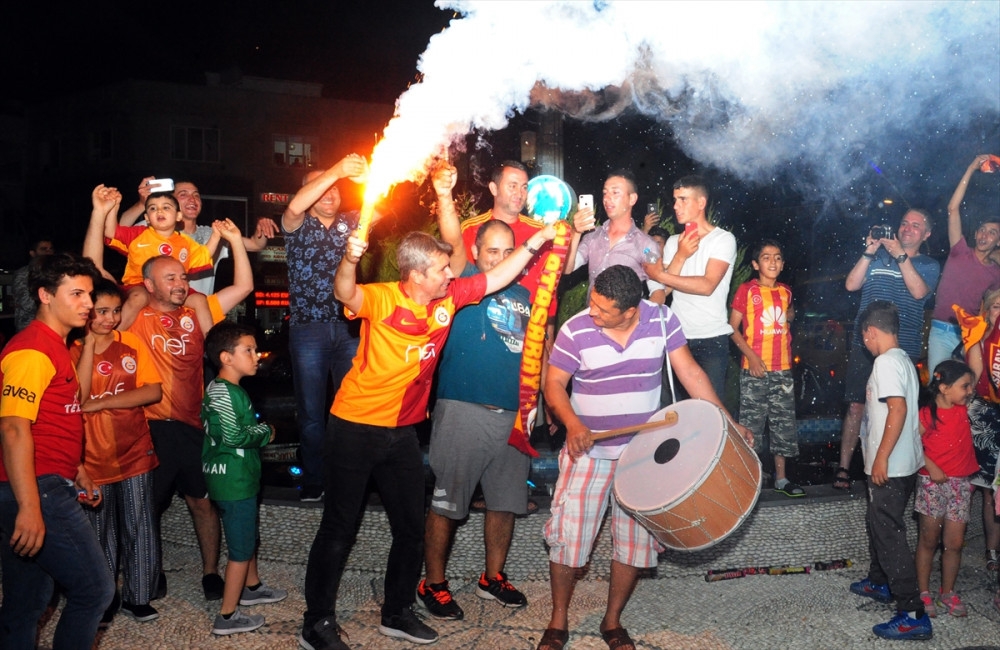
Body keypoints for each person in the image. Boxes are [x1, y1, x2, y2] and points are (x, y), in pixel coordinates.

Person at [299, 223, 557, 650]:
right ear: (417, 274)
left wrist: (534, 242)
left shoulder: (448, 300)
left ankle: (397, 612)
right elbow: (346, 292)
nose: (451, 274)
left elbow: (499, 276)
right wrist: (349, 257)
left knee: (410, 528)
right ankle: (317, 622)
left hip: (402, 433)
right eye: (441, 268)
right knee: (339, 529)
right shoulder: (382, 297)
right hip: (354, 426)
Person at [537, 265, 752, 650]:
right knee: (569, 539)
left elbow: (689, 372)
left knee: (633, 545)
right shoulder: (576, 329)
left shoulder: (662, 319)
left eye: (604, 310)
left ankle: (612, 621)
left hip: (642, 456)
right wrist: (571, 424)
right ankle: (557, 621)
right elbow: (553, 383)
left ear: (631, 310)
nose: (593, 313)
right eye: (593, 303)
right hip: (588, 451)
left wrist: (728, 421)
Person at [416, 178, 534, 621]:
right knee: (447, 503)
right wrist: (445, 196)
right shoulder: (463, 282)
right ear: (477, 252)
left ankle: (492, 577)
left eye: (508, 253)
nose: (500, 260)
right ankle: (433, 582)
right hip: (462, 409)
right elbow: (450, 238)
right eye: (492, 251)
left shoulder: (526, 297)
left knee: (504, 502)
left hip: (512, 417)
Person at [119, 219, 254, 602]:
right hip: (152, 426)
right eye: (170, 279)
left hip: (195, 425)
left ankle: (210, 573)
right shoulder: (136, 312)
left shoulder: (197, 308)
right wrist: (132, 299)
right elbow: (105, 333)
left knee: (202, 501)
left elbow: (240, 294)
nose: (181, 284)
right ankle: (151, 570)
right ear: (149, 285)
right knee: (150, 506)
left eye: (182, 277)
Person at [0, 252, 115, 650]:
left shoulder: (56, 347)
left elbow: (51, 420)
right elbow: (14, 429)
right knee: (95, 590)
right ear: (45, 295)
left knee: (26, 600)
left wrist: (78, 467)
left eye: (90, 293)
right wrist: (30, 506)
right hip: (38, 488)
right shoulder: (32, 349)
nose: (88, 303)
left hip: (43, 481)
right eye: (77, 293)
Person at [72, 280, 163, 624]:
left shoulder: (132, 343)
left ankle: (139, 597)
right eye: (101, 312)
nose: (110, 319)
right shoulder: (73, 348)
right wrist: (90, 347)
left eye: (115, 311)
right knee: (99, 532)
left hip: (135, 447)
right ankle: (104, 599)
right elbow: (78, 398)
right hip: (91, 455)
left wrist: (106, 401)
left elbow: (152, 391)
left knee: (140, 525)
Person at [282, 154, 372, 502]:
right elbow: (293, 207)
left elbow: (386, 207)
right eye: (322, 189)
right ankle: (315, 481)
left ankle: (351, 482)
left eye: (336, 188)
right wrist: (335, 169)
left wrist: (368, 179)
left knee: (354, 408)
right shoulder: (297, 225)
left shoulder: (354, 220)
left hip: (349, 329)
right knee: (310, 412)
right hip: (308, 330)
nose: (330, 193)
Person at [833, 209, 940, 491]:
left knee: (896, 407)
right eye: (904, 222)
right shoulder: (877, 256)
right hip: (864, 344)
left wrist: (901, 257)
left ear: (926, 234)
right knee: (856, 405)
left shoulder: (928, 264)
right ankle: (844, 469)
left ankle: (897, 467)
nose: (907, 228)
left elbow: (919, 293)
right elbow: (851, 284)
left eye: (916, 225)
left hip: (902, 347)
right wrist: (870, 251)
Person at [847, 300, 932, 641]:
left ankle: (912, 613)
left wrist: (881, 458)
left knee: (889, 534)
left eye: (864, 337)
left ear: (871, 332)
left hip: (891, 466)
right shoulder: (903, 360)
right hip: (903, 463)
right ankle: (880, 581)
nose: (865, 343)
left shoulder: (884, 362)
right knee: (879, 523)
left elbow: (896, 410)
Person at [202, 321, 287, 635]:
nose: (256, 356)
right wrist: (267, 431)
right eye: (248, 350)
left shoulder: (227, 388)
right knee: (239, 551)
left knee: (246, 537)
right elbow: (235, 435)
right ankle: (227, 616)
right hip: (233, 482)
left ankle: (251, 588)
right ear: (226, 357)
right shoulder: (226, 392)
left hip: (237, 479)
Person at [644, 175, 736, 399]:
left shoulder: (722, 239)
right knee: (675, 413)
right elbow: (664, 291)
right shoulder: (674, 242)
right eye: (675, 200)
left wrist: (659, 274)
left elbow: (707, 286)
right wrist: (681, 256)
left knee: (710, 413)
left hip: (711, 340)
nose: (676, 206)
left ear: (701, 203)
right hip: (677, 337)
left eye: (683, 199)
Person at [91, 184, 219, 333]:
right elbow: (110, 232)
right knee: (138, 298)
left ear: (178, 216)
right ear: (147, 218)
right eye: (152, 208)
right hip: (139, 285)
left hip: (170, 289)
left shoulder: (185, 242)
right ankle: (115, 335)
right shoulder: (138, 234)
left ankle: (212, 344)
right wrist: (113, 207)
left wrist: (216, 235)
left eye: (166, 207)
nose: (159, 211)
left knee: (200, 300)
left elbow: (203, 255)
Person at [729, 239, 802, 497]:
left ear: (782, 264)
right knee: (752, 425)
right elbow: (732, 328)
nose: (773, 262)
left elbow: (788, 315)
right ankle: (752, 477)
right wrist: (752, 357)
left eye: (778, 257)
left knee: (782, 425)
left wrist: (789, 318)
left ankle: (781, 479)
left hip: (782, 370)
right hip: (754, 370)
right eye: (767, 257)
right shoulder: (747, 290)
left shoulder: (786, 292)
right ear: (755, 264)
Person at [118, 178, 278, 294]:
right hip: (158, 312)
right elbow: (120, 229)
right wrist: (141, 203)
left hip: (197, 314)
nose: (192, 199)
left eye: (196, 195)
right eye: (183, 194)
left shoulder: (211, 233)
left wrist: (261, 228)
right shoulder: (155, 229)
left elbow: (256, 245)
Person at [914, 360, 979, 618]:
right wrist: (931, 466)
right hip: (932, 484)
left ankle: (948, 591)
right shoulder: (927, 414)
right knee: (928, 540)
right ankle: (923, 591)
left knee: (954, 543)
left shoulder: (965, 409)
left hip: (960, 485)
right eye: (965, 386)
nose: (970, 391)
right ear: (943, 387)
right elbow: (912, 443)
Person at [926, 154, 1000, 372]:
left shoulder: (995, 273)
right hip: (940, 330)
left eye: (992, 233)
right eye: (982, 230)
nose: (985, 236)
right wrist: (971, 167)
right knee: (939, 389)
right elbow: (953, 208)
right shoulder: (960, 251)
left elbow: (992, 305)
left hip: (970, 335)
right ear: (976, 233)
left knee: (968, 393)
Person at [566, 170, 666, 304]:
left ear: (632, 199)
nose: (607, 198)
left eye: (615, 192)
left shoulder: (647, 245)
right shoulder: (592, 237)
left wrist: (640, 321)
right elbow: (567, 268)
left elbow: (658, 291)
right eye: (605, 193)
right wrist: (576, 232)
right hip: (593, 317)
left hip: (627, 322)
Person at [958, 286, 1000, 577]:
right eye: (997, 306)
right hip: (983, 415)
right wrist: (978, 341)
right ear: (986, 311)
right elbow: (973, 378)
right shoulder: (975, 338)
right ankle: (991, 551)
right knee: (984, 489)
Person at [11, 238, 54, 332]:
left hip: (53, 327)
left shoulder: (55, 272)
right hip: (29, 327)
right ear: (33, 253)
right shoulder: (23, 273)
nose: (48, 252)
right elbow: (26, 303)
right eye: (43, 249)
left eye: (50, 248)